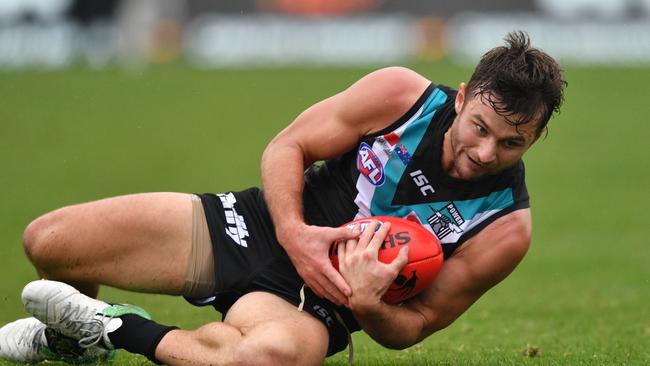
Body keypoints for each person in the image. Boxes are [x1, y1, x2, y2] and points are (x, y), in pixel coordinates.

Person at [0, 30, 566, 365]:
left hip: (316, 303)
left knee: (266, 359)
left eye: (513, 142)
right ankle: (74, 345)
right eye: (480, 127)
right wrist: (294, 233)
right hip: (258, 226)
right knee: (48, 242)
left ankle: (116, 328)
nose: (487, 152)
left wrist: (369, 304)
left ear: (537, 137)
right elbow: (287, 146)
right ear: (463, 97)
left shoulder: (504, 229)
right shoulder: (400, 95)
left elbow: (415, 326)